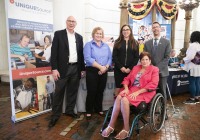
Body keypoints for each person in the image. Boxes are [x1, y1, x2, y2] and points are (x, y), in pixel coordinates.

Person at [101, 52, 159, 139]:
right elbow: (127, 79)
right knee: (120, 96)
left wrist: (138, 92)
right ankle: (111, 126)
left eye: (147, 59)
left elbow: (153, 84)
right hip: (132, 90)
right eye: (142, 59)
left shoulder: (154, 69)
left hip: (145, 92)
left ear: (150, 61)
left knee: (124, 99)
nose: (144, 61)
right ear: (140, 61)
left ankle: (126, 128)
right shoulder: (136, 68)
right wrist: (126, 88)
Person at [48, 16, 85, 128]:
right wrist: (54, 69)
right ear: (66, 22)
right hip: (62, 69)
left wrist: (82, 69)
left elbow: (81, 54)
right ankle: (55, 116)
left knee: (72, 91)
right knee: (59, 93)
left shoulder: (79, 37)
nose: (71, 23)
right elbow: (53, 53)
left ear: (76, 23)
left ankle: (69, 110)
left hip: (75, 68)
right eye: (69, 21)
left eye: (73, 21)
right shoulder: (59, 34)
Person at [83, 27, 112, 119]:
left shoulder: (106, 46)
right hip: (92, 70)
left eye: (100, 33)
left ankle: (98, 109)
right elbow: (88, 58)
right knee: (92, 91)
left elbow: (110, 58)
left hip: (104, 70)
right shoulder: (88, 45)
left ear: (102, 35)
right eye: (97, 33)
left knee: (100, 91)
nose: (99, 35)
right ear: (93, 34)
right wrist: (100, 67)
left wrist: (106, 67)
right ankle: (89, 110)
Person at [144, 22, 171, 117]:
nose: (155, 29)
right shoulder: (147, 43)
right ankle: (149, 110)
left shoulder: (167, 42)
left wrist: (156, 69)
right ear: (152, 29)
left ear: (160, 29)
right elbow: (145, 58)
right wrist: (151, 69)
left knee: (162, 92)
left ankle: (164, 113)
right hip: (150, 73)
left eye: (157, 27)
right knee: (149, 91)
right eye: (153, 27)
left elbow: (167, 58)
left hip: (162, 73)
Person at [112, 24, 139, 98]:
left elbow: (136, 57)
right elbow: (114, 56)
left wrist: (129, 68)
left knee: (128, 88)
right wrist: (121, 67)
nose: (125, 31)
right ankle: (116, 108)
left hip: (130, 70)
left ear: (130, 31)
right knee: (118, 88)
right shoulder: (117, 42)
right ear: (121, 32)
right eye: (124, 30)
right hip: (119, 70)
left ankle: (126, 106)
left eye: (127, 29)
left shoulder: (135, 42)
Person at [182, 31, 200, 104]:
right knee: (197, 82)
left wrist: (183, 60)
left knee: (192, 82)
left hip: (193, 66)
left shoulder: (193, 45)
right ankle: (197, 97)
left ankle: (192, 99)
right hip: (198, 66)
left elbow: (190, 57)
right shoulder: (199, 45)